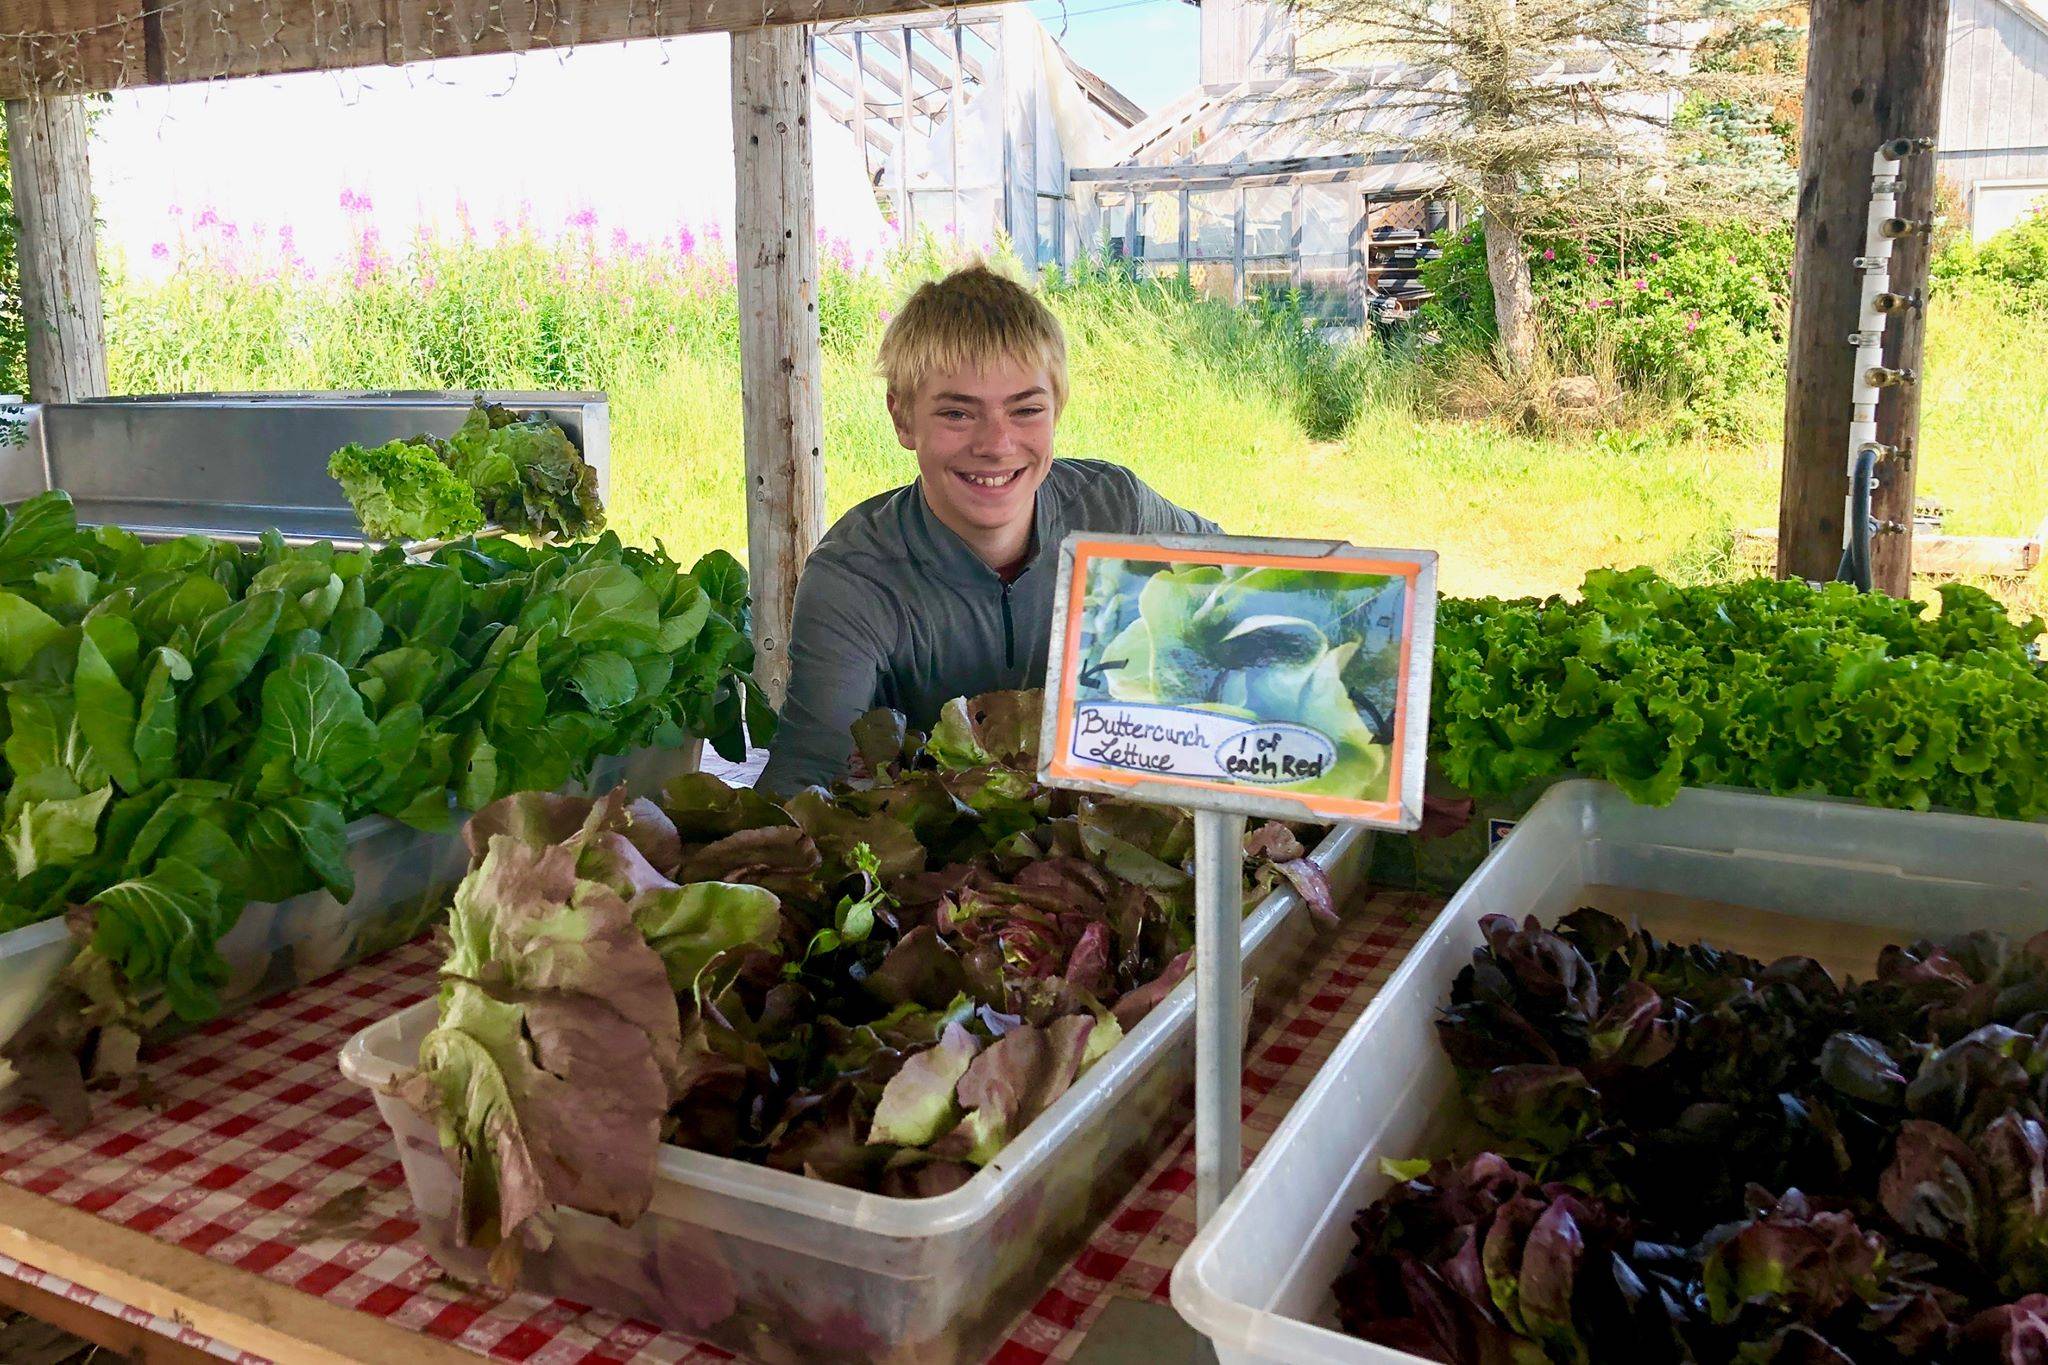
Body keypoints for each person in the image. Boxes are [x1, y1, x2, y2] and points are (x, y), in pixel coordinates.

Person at [759, 264, 1219, 795]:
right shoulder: (854, 576)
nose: (997, 444)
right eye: (958, 414)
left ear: (1057, 410)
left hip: (1109, 828)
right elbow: (806, 771)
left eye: (1026, 410)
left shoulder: (1115, 510)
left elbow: (1246, 576)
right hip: (936, 861)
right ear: (903, 419)